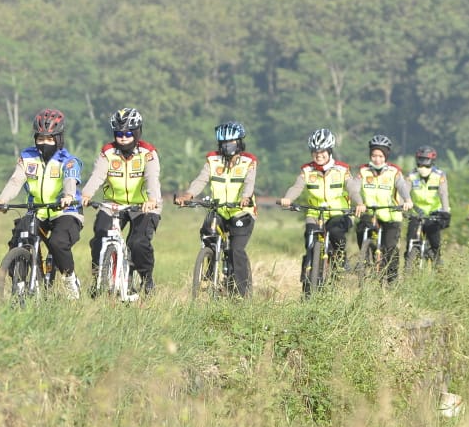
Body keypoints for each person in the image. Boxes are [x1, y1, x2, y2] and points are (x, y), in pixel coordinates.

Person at [0, 108, 84, 299]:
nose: (44, 143)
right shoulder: (27, 156)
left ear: (58, 139)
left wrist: (67, 196)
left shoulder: (68, 161)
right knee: (19, 237)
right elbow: (16, 181)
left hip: (64, 211)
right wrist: (1, 200)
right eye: (40, 138)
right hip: (37, 211)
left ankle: (69, 279)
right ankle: (21, 283)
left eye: (49, 139)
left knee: (58, 242)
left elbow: (69, 182)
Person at [80, 107, 162, 293]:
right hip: (113, 204)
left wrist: (152, 199)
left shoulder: (148, 153)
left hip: (143, 205)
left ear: (136, 132)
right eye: (118, 133)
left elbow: (152, 178)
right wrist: (86, 194)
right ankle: (99, 279)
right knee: (100, 238)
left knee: (138, 243)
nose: (123, 138)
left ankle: (146, 278)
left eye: (127, 133)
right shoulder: (107, 152)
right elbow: (97, 176)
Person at [174, 121, 258, 297]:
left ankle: (244, 295)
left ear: (239, 143)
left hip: (241, 212)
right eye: (223, 143)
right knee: (207, 232)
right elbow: (201, 180)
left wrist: (246, 197)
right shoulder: (212, 160)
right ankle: (210, 269)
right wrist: (188, 195)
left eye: (231, 142)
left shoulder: (248, 161)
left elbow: (249, 182)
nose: (227, 146)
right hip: (219, 209)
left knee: (236, 250)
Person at [277, 128, 354, 275]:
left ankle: (340, 259)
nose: (318, 155)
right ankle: (308, 274)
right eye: (315, 152)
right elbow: (297, 187)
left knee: (336, 232)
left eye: (322, 152)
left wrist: (360, 203)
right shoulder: (307, 170)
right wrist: (288, 198)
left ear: (330, 151)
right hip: (314, 213)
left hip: (337, 213)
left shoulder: (342, 169)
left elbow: (352, 188)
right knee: (310, 241)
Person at [349, 135, 414, 282]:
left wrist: (408, 200)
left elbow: (402, 187)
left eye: (380, 156)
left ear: (386, 156)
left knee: (390, 248)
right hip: (370, 212)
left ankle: (392, 280)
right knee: (361, 229)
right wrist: (359, 202)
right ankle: (365, 258)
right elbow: (354, 189)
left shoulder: (394, 172)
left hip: (391, 214)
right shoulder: (363, 171)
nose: (377, 159)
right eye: (374, 155)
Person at [405, 145, 451, 263]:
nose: (423, 166)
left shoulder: (439, 175)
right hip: (416, 214)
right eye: (420, 163)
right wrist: (402, 206)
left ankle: (438, 267)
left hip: (433, 214)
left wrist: (446, 211)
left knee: (435, 244)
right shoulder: (411, 175)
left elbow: (443, 194)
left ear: (432, 161)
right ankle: (409, 267)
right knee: (410, 242)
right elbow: (404, 193)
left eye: (426, 163)